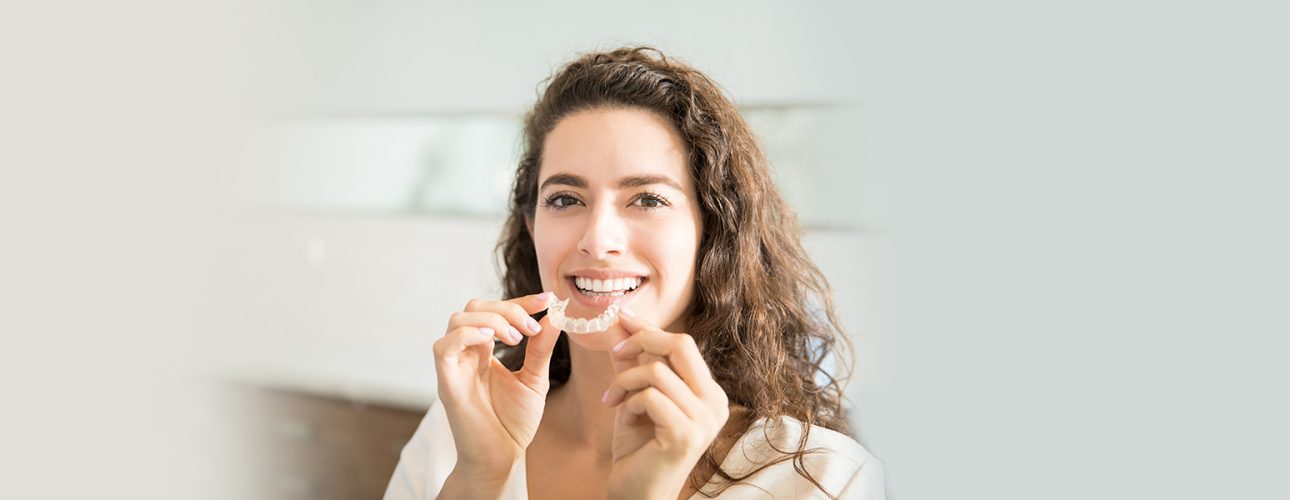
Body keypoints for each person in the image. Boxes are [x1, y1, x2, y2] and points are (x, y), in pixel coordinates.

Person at [383, 46, 884, 500]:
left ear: (713, 232)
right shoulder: (458, 436)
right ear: (532, 227)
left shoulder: (823, 480)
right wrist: (478, 480)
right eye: (565, 199)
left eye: (647, 199)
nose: (598, 239)